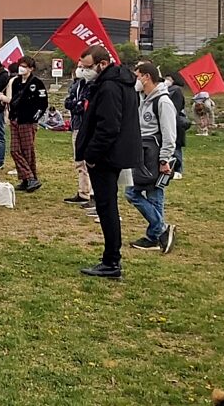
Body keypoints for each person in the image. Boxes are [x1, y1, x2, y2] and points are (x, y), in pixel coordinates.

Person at [75, 45, 141, 279]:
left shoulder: (110, 87)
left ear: (102, 64)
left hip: (106, 156)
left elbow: (108, 127)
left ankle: (111, 261)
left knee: (107, 207)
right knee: (107, 206)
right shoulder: (120, 83)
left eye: (88, 67)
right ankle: (111, 258)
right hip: (115, 153)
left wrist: (92, 156)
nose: (84, 72)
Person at [127, 62, 178, 254]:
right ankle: (155, 236)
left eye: (138, 75)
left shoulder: (162, 102)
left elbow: (169, 133)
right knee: (155, 196)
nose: (136, 80)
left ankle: (161, 228)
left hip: (154, 155)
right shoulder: (143, 98)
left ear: (147, 76)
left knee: (132, 193)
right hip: (143, 151)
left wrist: (165, 159)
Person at [1, 56, 46, 192]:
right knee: (15, 150)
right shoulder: (16, 82)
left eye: (25, 66)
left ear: (31, 69)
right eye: (21, 65)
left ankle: (30, 179)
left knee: (27, 151)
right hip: (15, 119)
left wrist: (34, 118)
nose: (22, 68)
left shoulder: (37, 83)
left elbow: (43, 104)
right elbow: (14, 100)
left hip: (28, 121)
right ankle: (28, 177)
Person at [63, 65, 94, 206]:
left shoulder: (93, 86)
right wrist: (76, 104)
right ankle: (83, 192)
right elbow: (68, 103)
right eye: (79, 66)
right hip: (76, 125)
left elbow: (83, 106)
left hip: (88, 127)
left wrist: (77, 105)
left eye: (83, 67)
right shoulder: (77, 85)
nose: (80, 69)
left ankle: (93, 194)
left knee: (90, 162)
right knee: (79, 162)